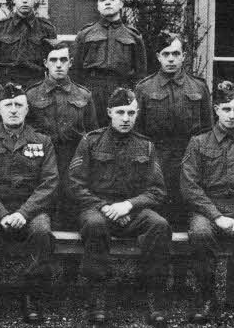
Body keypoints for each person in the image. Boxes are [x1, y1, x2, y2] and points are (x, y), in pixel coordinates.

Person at [68, 88, 170, 327]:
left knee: (159, 225)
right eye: (121, 112)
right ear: (109, 113)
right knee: (94, 224)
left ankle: (152, 294)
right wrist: (105, 207)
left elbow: (157, 190)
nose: (126, 118)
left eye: (131, 113)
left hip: (132, 210)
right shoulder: (91, 141)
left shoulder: (146, 146)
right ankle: (97, 297)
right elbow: (74, 184)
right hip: (96, 208)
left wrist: (128, 205)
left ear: (137, 114)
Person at [0, 83, 59, 324]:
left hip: (31, 208)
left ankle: (30, 294)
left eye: (19, 105)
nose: (14, 110)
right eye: (8, 105)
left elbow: (49, 183)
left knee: (41, 231)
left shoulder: (42, 141)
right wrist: (1, 212)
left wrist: (24, 213)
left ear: (27, 110)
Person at [135, 33, 212, 290]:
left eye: (175, 54)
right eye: (165, 54)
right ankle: (153, 281)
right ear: (157, 56)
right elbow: (139, 133)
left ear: (183, 56)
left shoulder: (198, 88)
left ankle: (180, 280)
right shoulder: (144, 88)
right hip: (156, 162)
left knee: (183, 216)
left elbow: (206, 131)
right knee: (157, 219)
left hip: (189, 162)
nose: (170, 59)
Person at [181, 81, 234, 323]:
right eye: (226, 109)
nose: (231, 115)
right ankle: (206, 298)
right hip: (209, 210)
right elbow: (189, 186)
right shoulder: (198, 142)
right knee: (200, 233)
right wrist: (217, 216)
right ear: (216, 109)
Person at [26, 39, 98, 282]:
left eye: (63, 60)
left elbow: (93, 135)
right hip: (40, 163)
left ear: (70, 63)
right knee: (43, 215)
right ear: (45, 63)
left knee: (70, 214)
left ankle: (70, 275)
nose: (58, 65)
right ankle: (42, 276)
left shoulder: (84, 96)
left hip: (72, 161)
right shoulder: (31, 94)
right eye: (53, 60)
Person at [72, 0, 147, 126]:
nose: (107, 2)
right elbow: (75, 70)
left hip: (122, 89)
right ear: (98, 6)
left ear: (121, 4)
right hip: (92, 90)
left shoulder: (133, 36)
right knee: (93, 130)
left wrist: (132, 96)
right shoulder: (85, 34)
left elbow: (140, 73)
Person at [0, 0, 57, 86]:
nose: (24, 0)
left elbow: (54, 63)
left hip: (37, 87)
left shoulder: (46, 29)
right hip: (7, 86)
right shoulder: (0, 28)